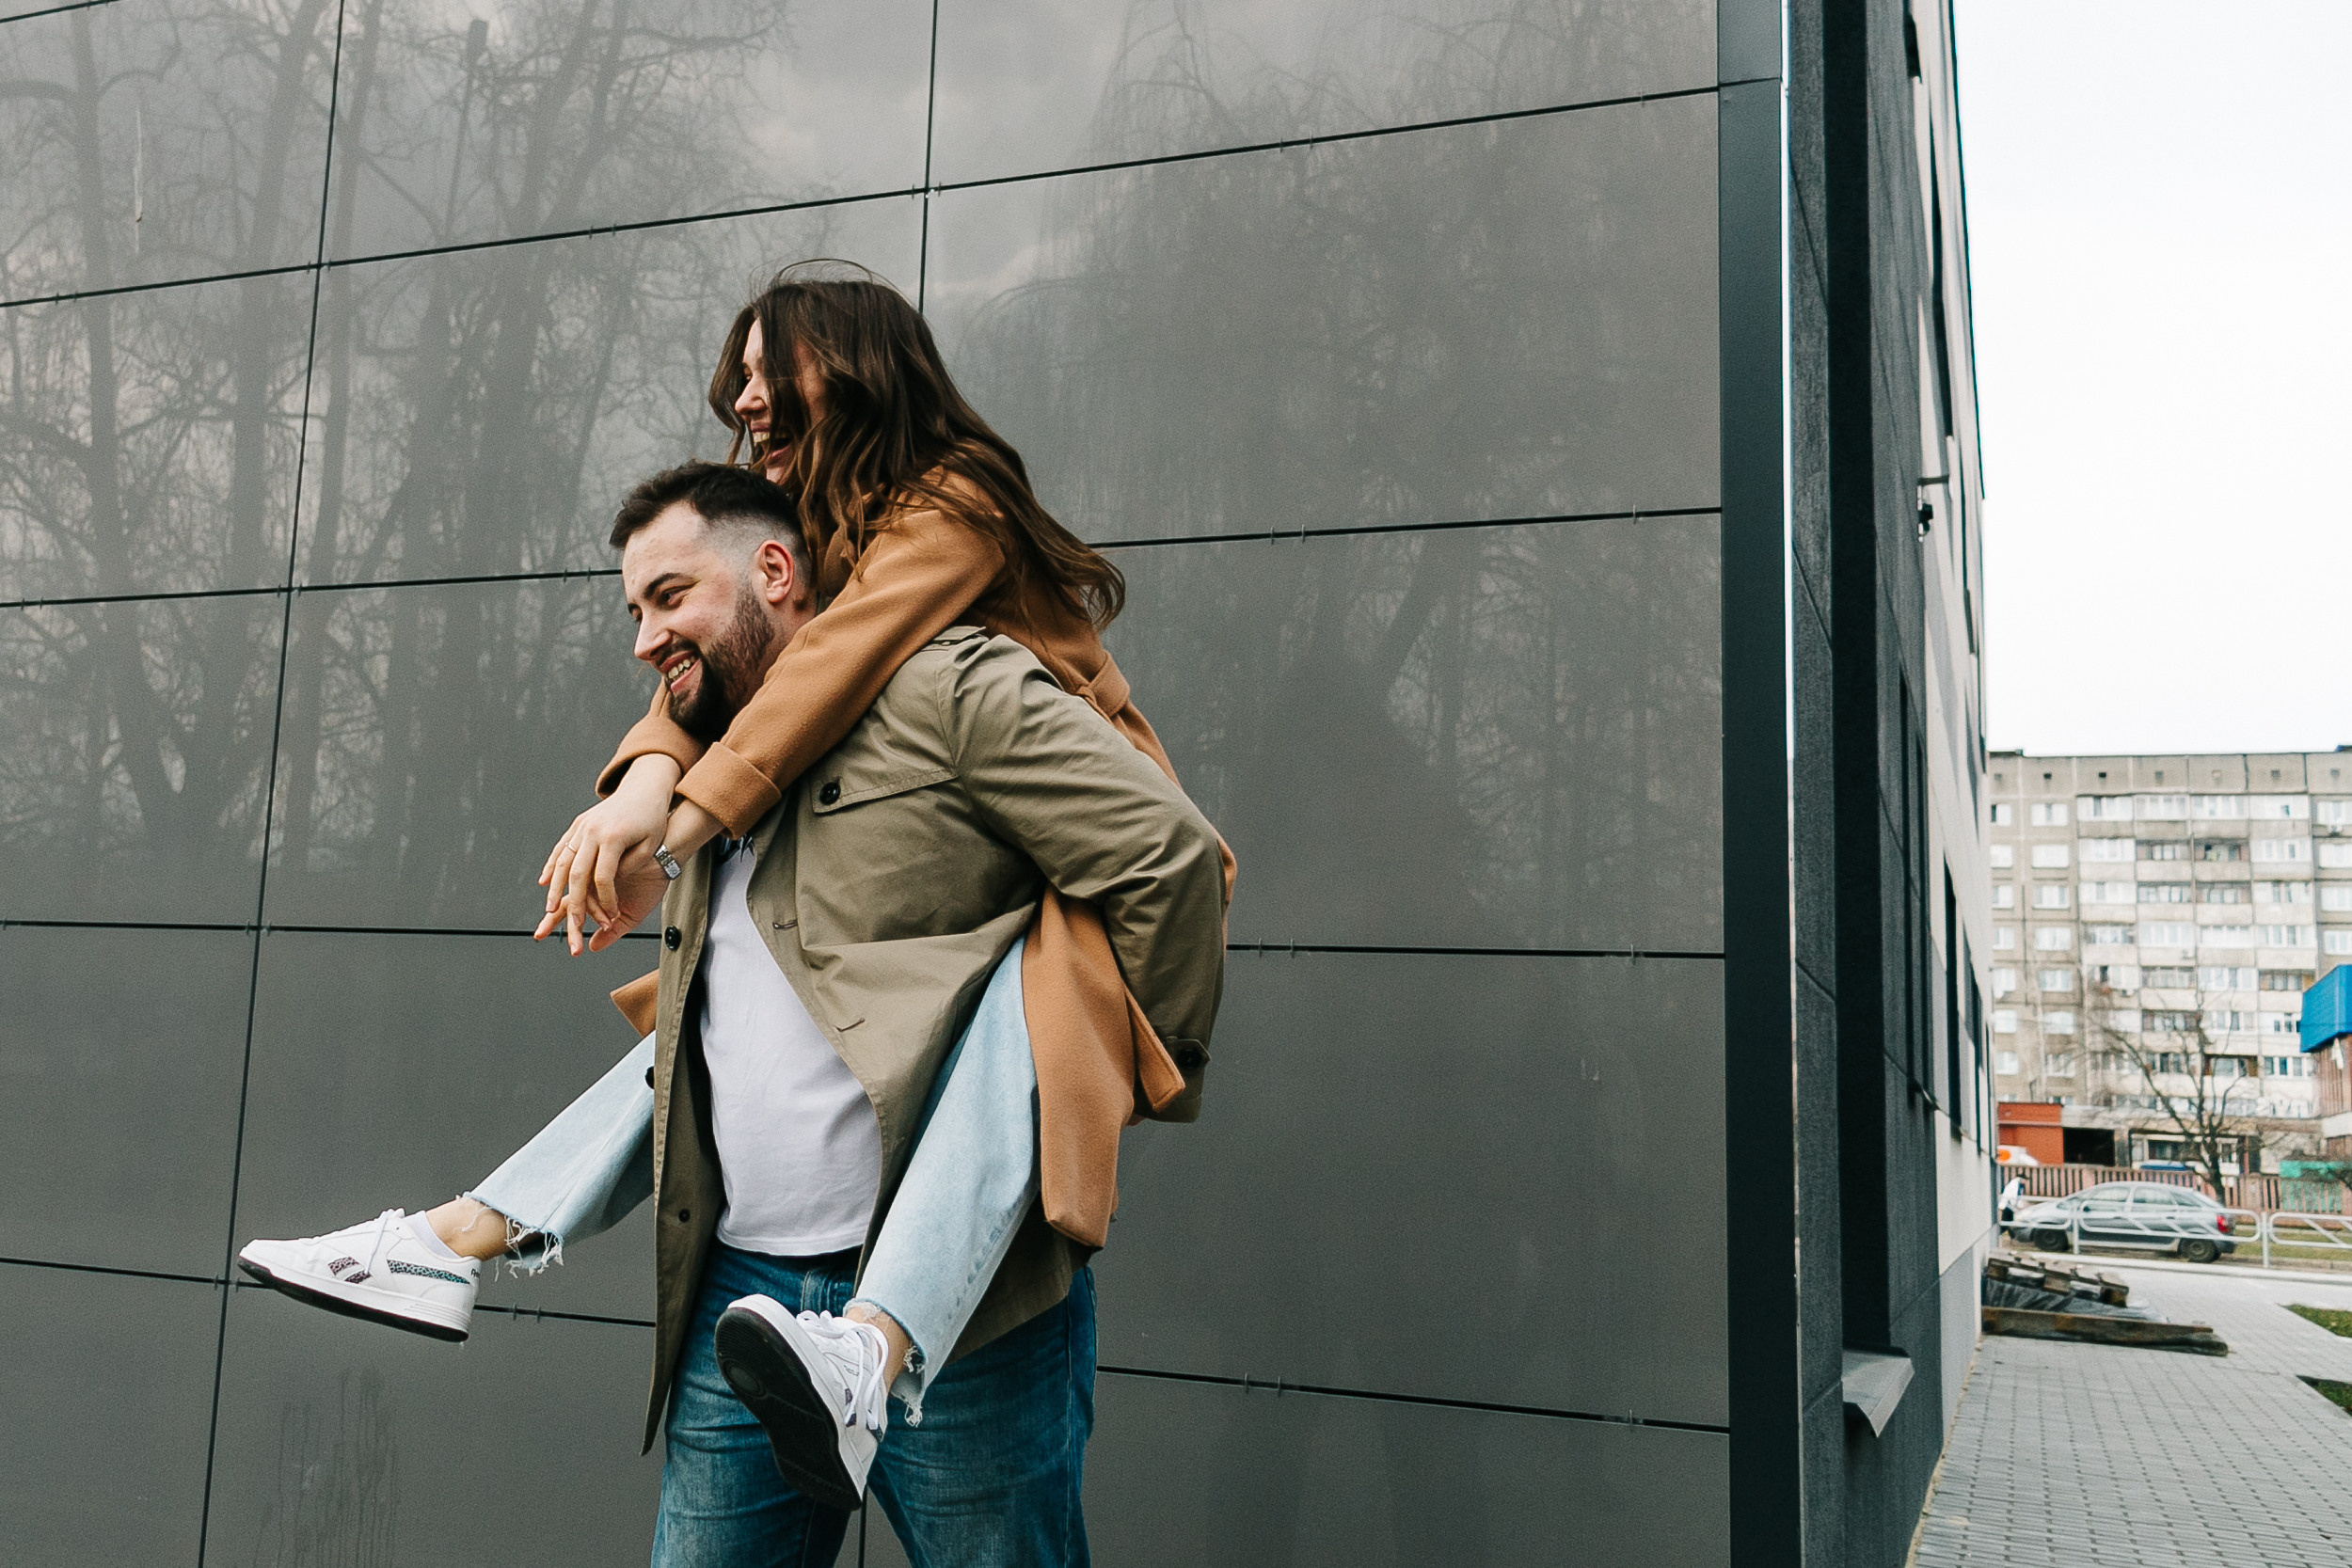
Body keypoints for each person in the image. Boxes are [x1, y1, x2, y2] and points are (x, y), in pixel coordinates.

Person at [255, 461, 1227, 1560]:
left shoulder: (942, 684)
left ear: (775, 568)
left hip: (967, 1315)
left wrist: (1119, 1077)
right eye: (633, 610)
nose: (641, 637)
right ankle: (457, 1234)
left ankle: (464, 1233)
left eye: (669, 597)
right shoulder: (707, 762)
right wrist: (640, 785)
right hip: (743, 1303)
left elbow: (1171, 858)